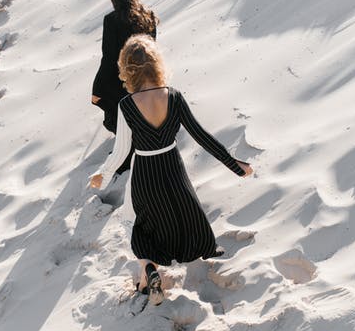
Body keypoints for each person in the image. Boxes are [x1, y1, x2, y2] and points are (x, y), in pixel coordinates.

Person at [88, 35, 254, 305]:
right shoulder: (174, 96)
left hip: (144, 171)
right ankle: (151, 276)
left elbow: (120, 151)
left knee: (142, 226)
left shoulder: (127, 105)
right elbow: (202, 136)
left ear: (127, 68)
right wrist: (235, 165)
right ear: (156, 64)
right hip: (172, 168)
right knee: (180, 216)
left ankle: (149, 271)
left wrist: (103, 176)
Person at [91, 0, 158, 174]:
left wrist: (97, 89)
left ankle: (128, 154)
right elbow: (152, 49)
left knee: (115, 117)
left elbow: (110, 58)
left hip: (122, 78)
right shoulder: (149, 16)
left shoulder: (112, 21)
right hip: (147, 76)